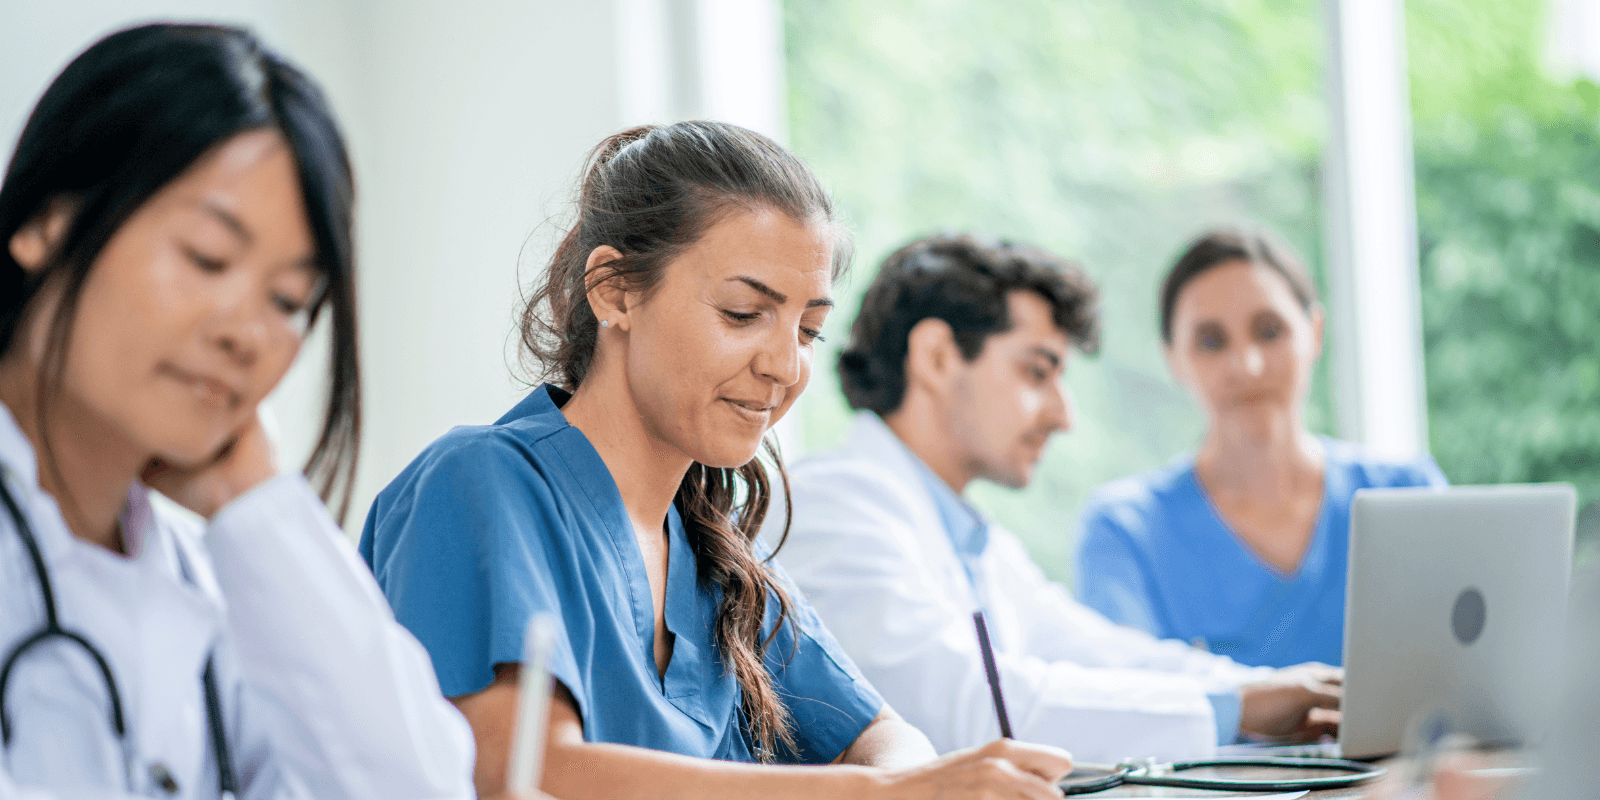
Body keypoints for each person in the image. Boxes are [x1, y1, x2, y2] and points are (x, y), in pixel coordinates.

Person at [360, 122, 1075, 800]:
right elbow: (523, 772)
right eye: (742, 314)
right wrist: (878, 793)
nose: (784, 365)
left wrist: (912, 783)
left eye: (808, 330)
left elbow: (887, 739)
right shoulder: (479, 485)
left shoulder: (715, 555)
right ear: (615, 291)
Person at [0, 24, 478, 799]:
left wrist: (252, 502)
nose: (247, 332)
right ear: (44, 224)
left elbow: (416, 787)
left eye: (289, 299)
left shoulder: (207, 577)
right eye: (206, 258)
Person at [770, 233, 1342, 764]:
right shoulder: (831, 509)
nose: (1063, 415)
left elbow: (1097, 653)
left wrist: (1266, 690)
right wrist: (1238, 707)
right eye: (1037, 372)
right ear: (937, 357)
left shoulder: (972, 540)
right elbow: (961, 708)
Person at [1075, 226, 1447, 668]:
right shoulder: (1125, 531)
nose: (1247, 366)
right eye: (1211, 341)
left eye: (1269, 331)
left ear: (1314, 332)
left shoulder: (1407, 494)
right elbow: (1131, 703)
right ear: (1172, 359)